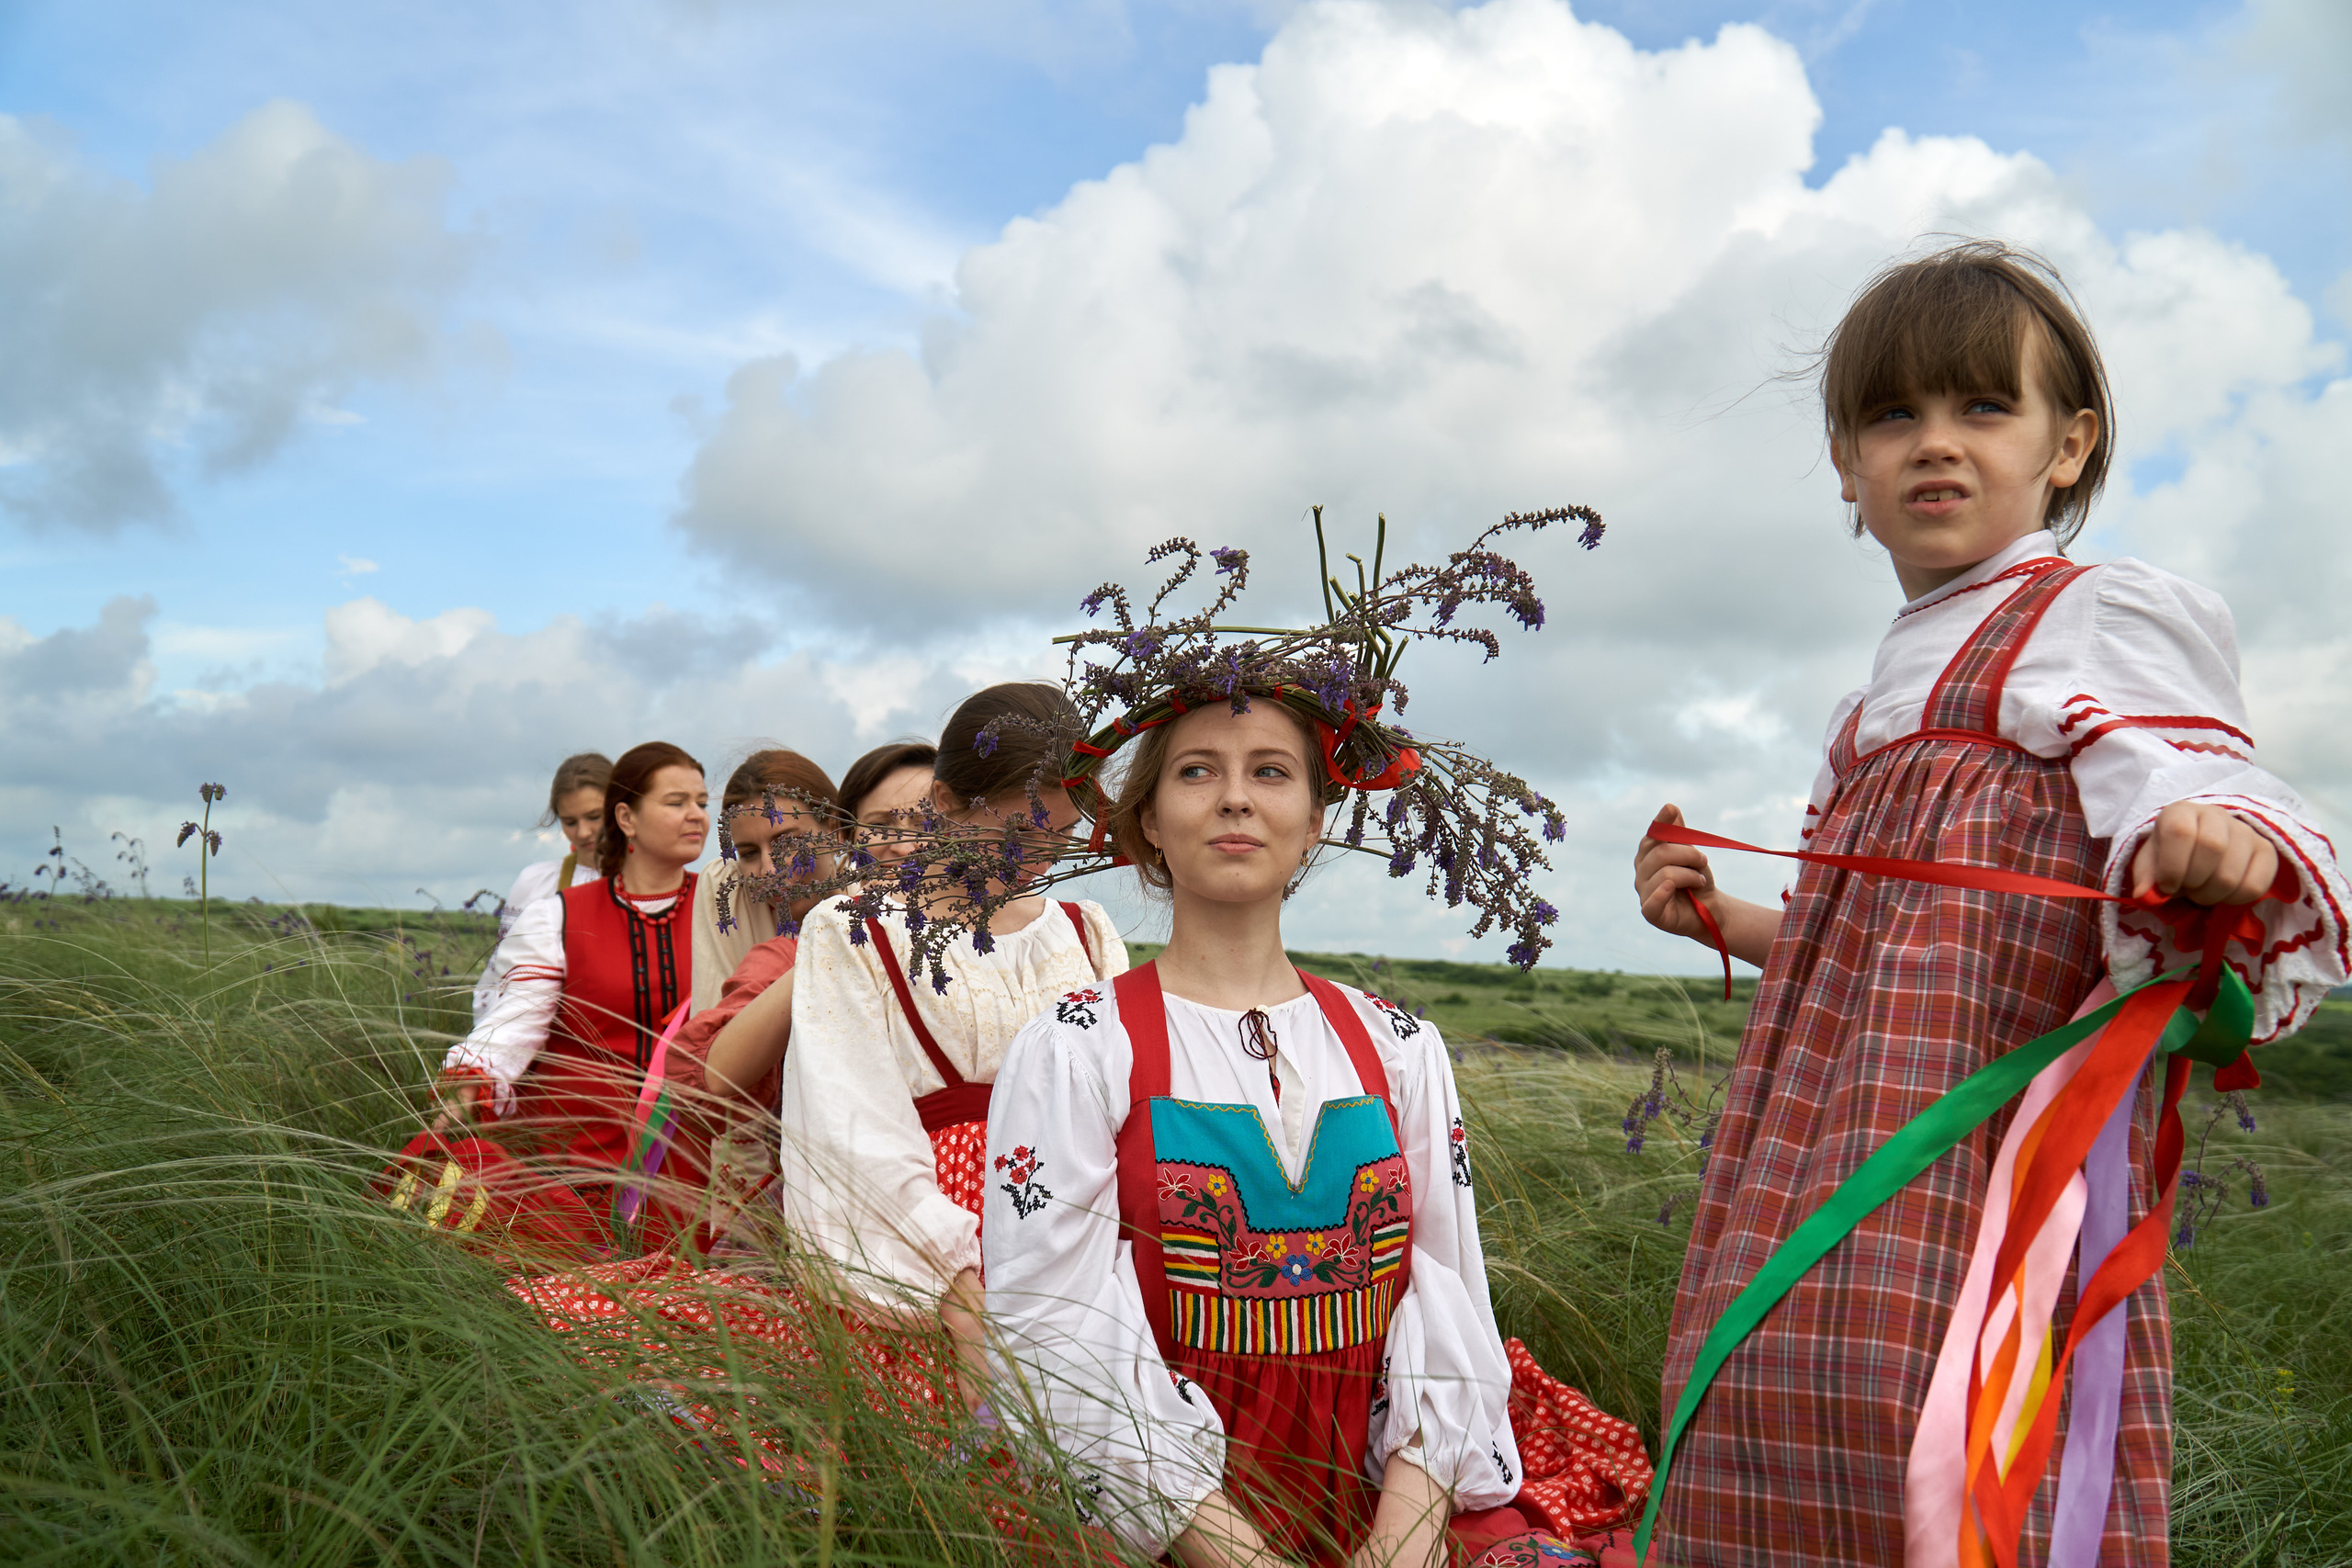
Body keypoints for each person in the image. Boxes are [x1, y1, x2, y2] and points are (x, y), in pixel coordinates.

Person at [1631, 243, 2349, 1568]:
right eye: (1893, 415)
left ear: (2067, 446)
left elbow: (2210, 784)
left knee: (1946, 1423)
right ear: (1846, 463)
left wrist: (2216, 838)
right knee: (1762, 1394)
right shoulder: (1862, 713)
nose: (1935, 444)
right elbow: (1859, 949)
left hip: (1983, 1135)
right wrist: (1733, 922)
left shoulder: (2095, 618)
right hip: (1811, 1130)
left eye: (1982, 407)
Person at [983, 699, 1646, 1566]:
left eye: (1270, 770)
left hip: (1384, 1505)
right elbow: (1053, 1332)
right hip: (1166, 1529)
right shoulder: (1075, 1049)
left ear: (1315, 823)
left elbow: (1446, 1297)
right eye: (1196, 770)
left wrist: (1396, 1547)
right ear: (1147, 819)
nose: (1234, 798)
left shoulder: (1398, 1047)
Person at [774, 686, 1125, 1379]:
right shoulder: (856, 928)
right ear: (942, 803)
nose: (1043, 856)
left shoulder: (1086, 933)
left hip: (1078, 1255)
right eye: (1021, 833)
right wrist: (957, 1278)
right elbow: (851, 1128)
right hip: (921, 1266)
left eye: (1060, 831)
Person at [437, 741, 709, 1177]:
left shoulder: (727, 909)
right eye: (677, 802)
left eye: (701, 802)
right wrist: (471, 1082)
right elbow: (517, 1012)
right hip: (572, 1158)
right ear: (626, 818)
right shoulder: (555, 914)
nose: (697, 814)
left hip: (690, 1163)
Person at [470, 752, 611, 1026]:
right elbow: (496, 982)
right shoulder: (535, 882)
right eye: (570, 822)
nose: (583, 832)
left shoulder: (651, 880)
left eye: (595, 817)